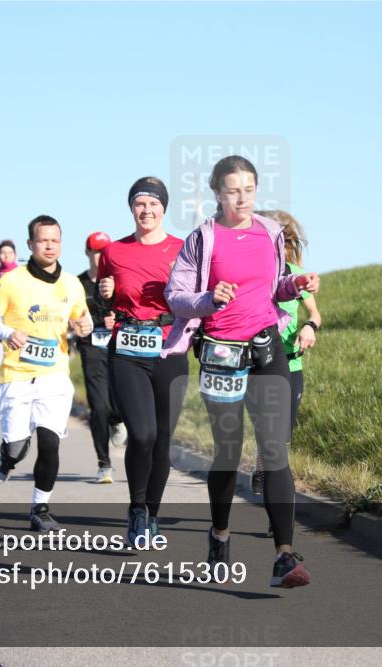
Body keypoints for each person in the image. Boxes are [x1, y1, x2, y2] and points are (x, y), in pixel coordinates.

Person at [164, 156, 320, 588]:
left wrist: (296, 286)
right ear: (217, 192)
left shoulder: (269, 233)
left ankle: (284, 557)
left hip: (267, 347)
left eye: (249, 189)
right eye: (233, 190)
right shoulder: (203, 239)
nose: (242, 198)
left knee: (274, 451)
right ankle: (219, 533)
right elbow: (175, 295)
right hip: (220, 354)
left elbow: (273, 288)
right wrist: (208, 298)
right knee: (228, 451)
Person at [0, 215, 92, 532]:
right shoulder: (11, 281)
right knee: (16, 448)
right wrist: (5, 332)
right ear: (30, 244)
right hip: (17, 376)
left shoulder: (71, 284)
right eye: (43, 240)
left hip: (54, 376)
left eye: (55, 240)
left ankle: (40, 508)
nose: (50, 246)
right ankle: (6, 459)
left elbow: (83, 319)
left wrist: (86, 325)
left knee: (50, 442)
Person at [98, 177, 189, 543]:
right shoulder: (114, 252)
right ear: (131, 209)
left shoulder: (183, 249)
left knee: (163, 440)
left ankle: (153, 512)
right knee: (142, 433)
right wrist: (103, 293)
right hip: (129, 349)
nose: (146, 210)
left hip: (170, 348)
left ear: (164, 208)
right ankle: (136, 509)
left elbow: (196, 298)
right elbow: (105, 295)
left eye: (153, 204)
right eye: (139, 204)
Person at [249, 210, 322, 497]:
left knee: (284, 436)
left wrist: (309, 327)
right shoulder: (251, 273)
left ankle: (265, 470)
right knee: (271, 437)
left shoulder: (294, 273)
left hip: (291, 366)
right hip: (259, 365)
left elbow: (315, 313)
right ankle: (276, 499)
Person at [76, 231, 127, 484]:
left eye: (104, 250)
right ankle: (103, 464)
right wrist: (78, 324)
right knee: (98, 407)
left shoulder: (119, 280)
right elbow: (68, 314)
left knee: (119, 403)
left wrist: (117, 319)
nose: (100, 255)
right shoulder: (77, 284)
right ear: (87, 253)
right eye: (95, 250)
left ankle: (118, 419)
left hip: (119, 346)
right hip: (91, 348)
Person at [0, 240, 20, 379]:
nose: (6, 256)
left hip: (19, 333)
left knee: (18, 377)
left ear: (15, 255)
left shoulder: (23, 276)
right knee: (2, 378)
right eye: (2, 253)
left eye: (9, 253)